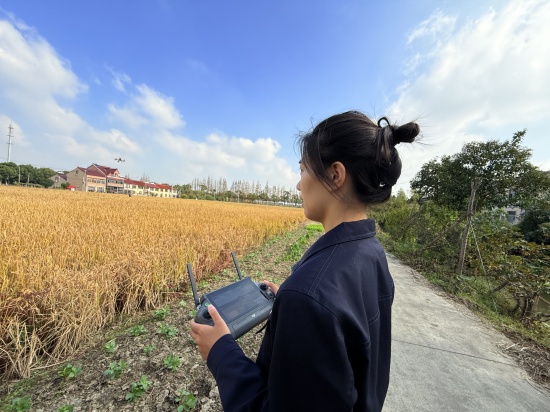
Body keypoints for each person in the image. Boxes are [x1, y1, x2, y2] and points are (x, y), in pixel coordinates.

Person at [190, 110, 419, 411]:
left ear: (335, 175)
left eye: (302, 171)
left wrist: (220, 352)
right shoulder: (371, 252)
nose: (299, 186)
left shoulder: (310, 296)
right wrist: (291, 306)